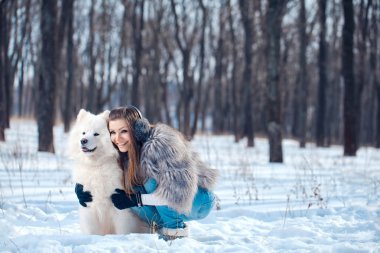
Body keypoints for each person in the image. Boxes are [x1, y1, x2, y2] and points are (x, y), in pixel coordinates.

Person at [75, 106, 218, 240]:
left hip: (197, 199)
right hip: (169, 201)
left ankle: (175, 233)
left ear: (138, 130)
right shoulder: (124, 151)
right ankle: (160, 226)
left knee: (149, 184)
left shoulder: (160, 146)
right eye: (113, 132)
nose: (117, 138)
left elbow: (175, 192)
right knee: (129, 191)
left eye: (123, 131)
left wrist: (137, 200)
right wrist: (82, 188)